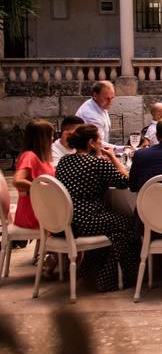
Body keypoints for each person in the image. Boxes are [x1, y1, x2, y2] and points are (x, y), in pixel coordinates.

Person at [54, 124, 137, 292]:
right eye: (99, 140)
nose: (101, 143)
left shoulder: (64, 160)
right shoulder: (97, 164)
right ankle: (115, 276)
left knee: (115, 230)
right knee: (130, 223)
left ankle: (94, 271)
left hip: (64, 221)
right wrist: (113, 158)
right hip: (87, 221)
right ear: (91, 143)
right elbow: (127, 181)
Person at [12, 120, 56, 230]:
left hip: (40, 209)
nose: (52, 139)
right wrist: (41, 188)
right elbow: (17, 181)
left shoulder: (41, 158)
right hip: (34, 213)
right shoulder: (29, 156)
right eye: (51, 135)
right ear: (42, 138)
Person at [76, 80, 117, 148]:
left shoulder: (99, 104)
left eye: (112, 98)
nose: (110, 102)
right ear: (95, 95)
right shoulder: (90, 114)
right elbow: (97, 143)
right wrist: (122, 148)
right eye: (107, 98)